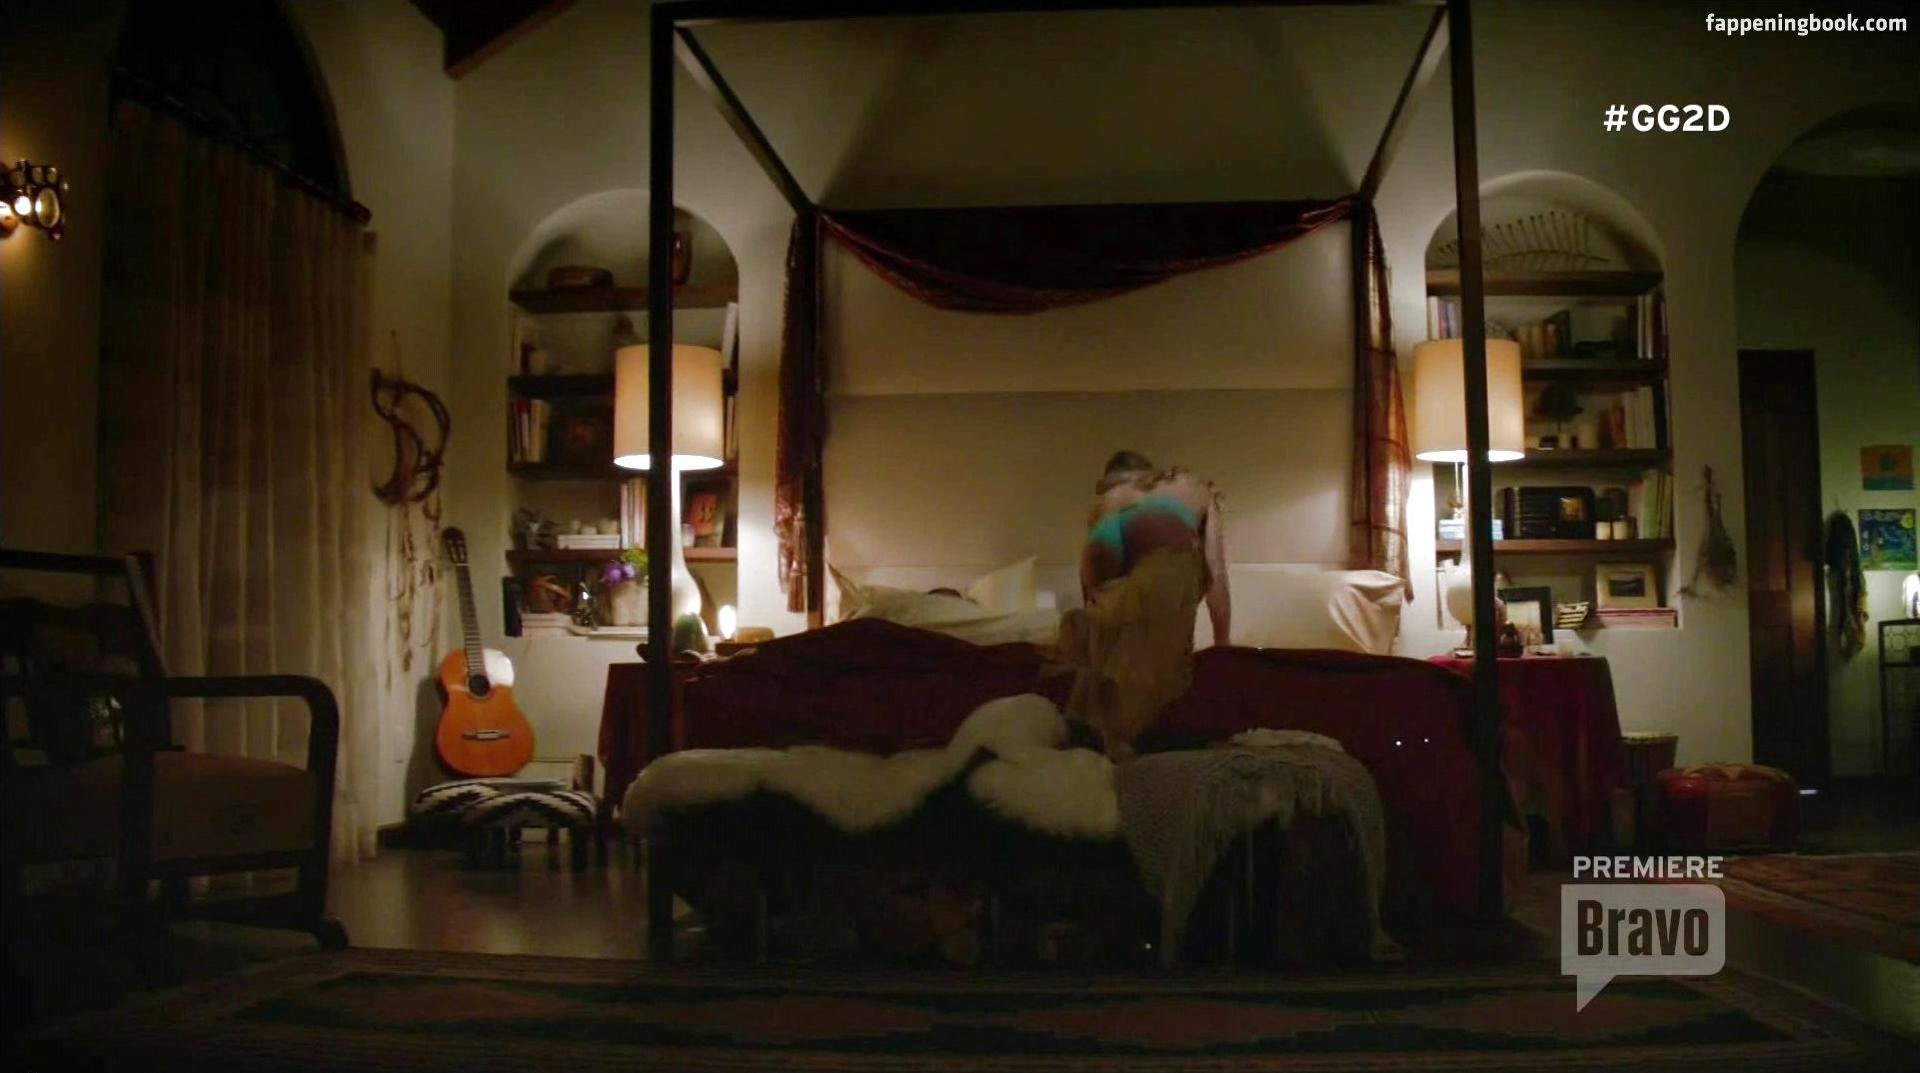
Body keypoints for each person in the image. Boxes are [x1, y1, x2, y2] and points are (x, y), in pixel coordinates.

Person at [1059, 450, 1230, 758]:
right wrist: (1223, 646)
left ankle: (1099, 724)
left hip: (1105, 549)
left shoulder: (1109, 499)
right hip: (1164, 557)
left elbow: (1090, 583)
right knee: (1165, 602)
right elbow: (1215, 573)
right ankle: (1131, 733)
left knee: (1112, 628)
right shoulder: (1196, 489)